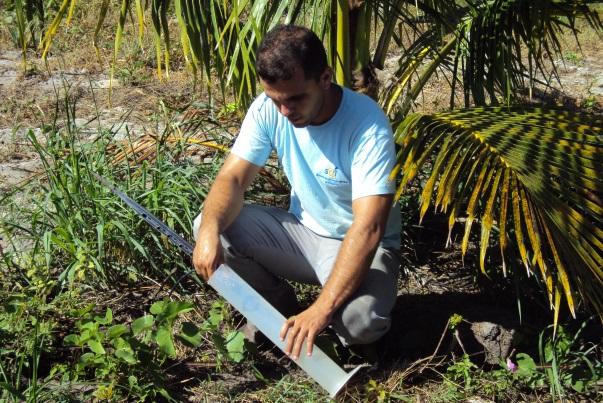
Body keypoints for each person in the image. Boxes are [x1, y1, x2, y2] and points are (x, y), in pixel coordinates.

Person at [192, 24, 401, 361]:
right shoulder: (268, 108)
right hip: (303, 235)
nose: (285, 112)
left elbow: (369, 229)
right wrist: (209, 233)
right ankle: (280, 312)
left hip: (364, 245)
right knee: (210, 224)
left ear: (325, 78)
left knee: (360, 322)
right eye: (276, 101)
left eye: (295, 99)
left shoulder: (367, 126)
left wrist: (321, 311)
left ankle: (333, 322)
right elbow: (232, 178)